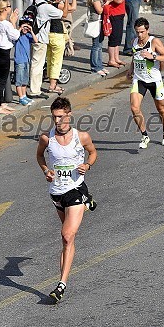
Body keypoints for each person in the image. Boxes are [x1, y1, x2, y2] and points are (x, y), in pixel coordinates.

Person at [36, 96, 97, 303]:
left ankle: (61, 284)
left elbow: (93, 153)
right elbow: (39, 157)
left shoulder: (82, 137)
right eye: (54, 118)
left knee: (67, 235)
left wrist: (87, 165)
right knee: (67, 240)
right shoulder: (47, 139)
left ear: (69, 115)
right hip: (56, 192)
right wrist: (46, 170)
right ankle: (88, 201)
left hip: (75, 188)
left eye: (61, 117)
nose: (58, 122)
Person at [126, 17, 164, 149]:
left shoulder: (154, 42)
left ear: (147, 30)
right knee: (134, 108)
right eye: (137, 32)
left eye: (142, 32)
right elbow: (135, 57)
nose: (140, 35)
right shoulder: (134, 41)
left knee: (161, 109)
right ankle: (144, 135)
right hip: (139, 79)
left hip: (154, 81)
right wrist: (130, 70)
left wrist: (153, 56)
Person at [28, 0, 64, 100]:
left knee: (35, 63)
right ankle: (35, 90)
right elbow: (60, 14)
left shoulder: (33, 1)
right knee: (37, 64)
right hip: (41, 38)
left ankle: (35, 88)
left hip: (33, 35)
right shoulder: (46, 6)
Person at [0, 0, 25, 113]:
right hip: (4, 52)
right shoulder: (5, 23)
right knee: (2, 79)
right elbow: (15, 35)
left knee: (1, 78)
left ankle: (0, 102)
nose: (11, 8)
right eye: (9, 6)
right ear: (6, 9)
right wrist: (14, 22)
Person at [104, 0, 132, 68]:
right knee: (114, 38)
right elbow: (119, 0)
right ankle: (111, 59)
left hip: (119, 14)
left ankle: (116, 58)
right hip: (114, 15)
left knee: (118, 37)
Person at [47, 0, 74, 93]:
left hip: (48, 34)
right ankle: (53, 85)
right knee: (56, 62)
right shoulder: (54, 4)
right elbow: (66, 13)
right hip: (57, 34)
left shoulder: (46, 2)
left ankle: (51, 82)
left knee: (50, 60)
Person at [86, 0, 111, 76]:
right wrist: (107, 3)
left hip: (100, 20)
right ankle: (95, 67)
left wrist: (106, 0)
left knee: (100, 45)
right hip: (96, 21)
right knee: (96, 45)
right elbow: (100, 10)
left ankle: (99, 65)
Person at [14, 16, 37, 106]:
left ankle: (24, 95)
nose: (25, 28)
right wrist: (20, 28)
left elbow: (36, 40)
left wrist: (31, 31)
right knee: (19, 81)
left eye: (28, 26)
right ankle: (21, 98)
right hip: (19, 61)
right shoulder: (18, 35)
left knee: (24, 80)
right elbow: (14, 35)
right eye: (24, 26)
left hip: (26, 61)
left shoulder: (28, 35)